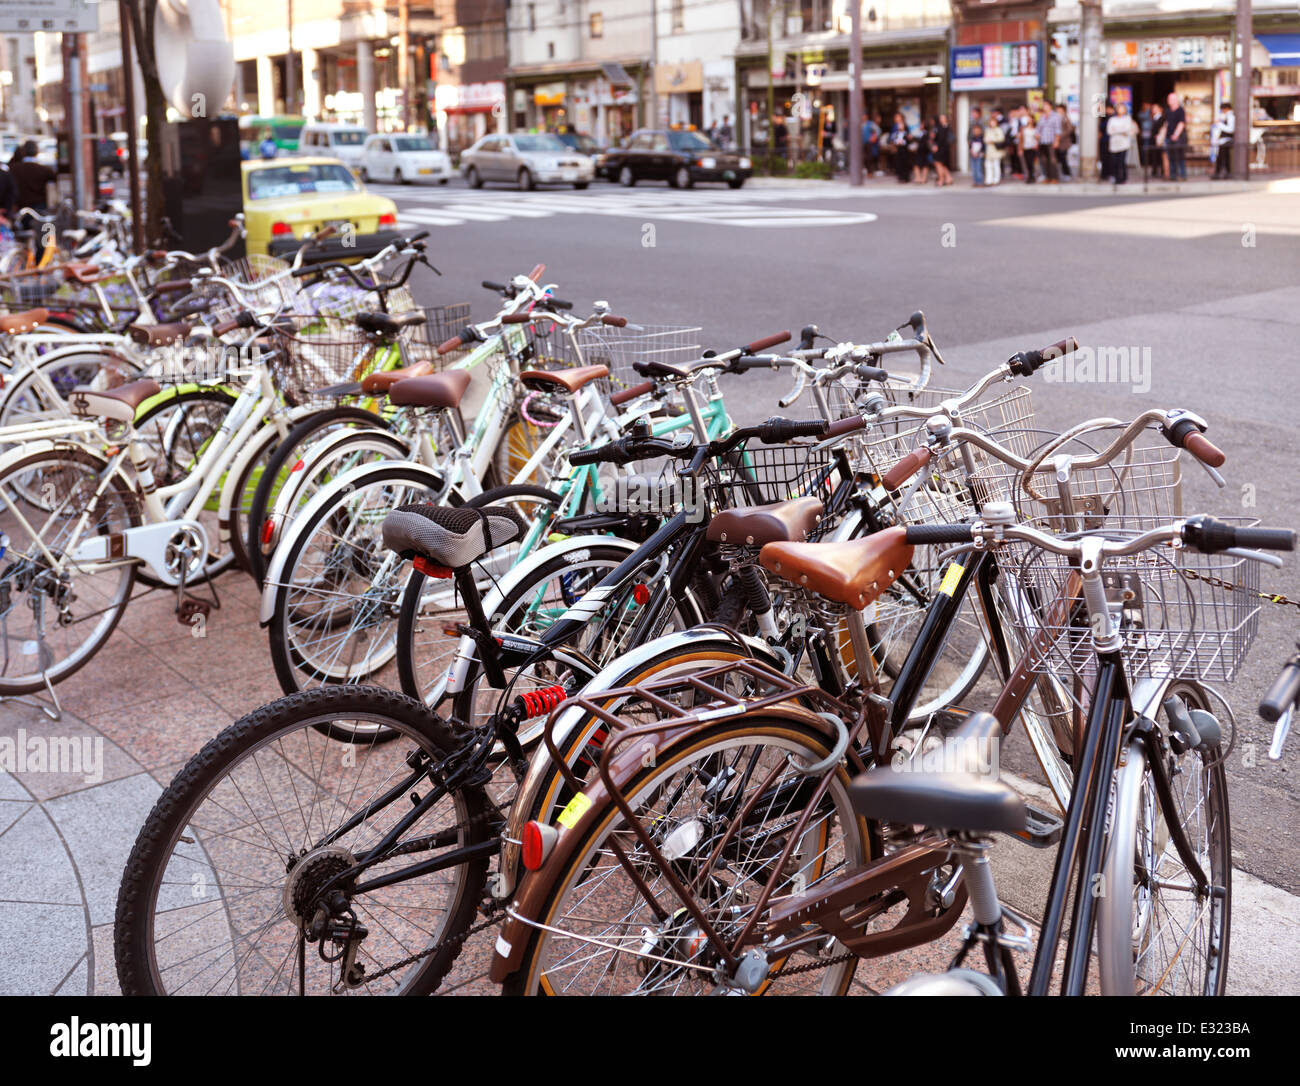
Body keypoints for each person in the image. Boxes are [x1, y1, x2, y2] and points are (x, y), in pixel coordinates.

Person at [10, 141, 54, 216]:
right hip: (39, 208)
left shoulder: (13, 169)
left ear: (23, 152)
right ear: (37, 152)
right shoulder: (45, 170)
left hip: (20, 208)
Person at [1107, 102, 1135, 184]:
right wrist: (1121, 130)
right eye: (1119, 108)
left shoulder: (1127, 118)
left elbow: (1127, 129)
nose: (1120, 110)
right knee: (1114, 162)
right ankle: (1116, 178)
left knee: (1121, 162)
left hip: (1123, 144)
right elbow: (1109, 131)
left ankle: (1123, 178)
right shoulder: (1112, 119)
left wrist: (1116, 129)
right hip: (1114, 144)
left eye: (1122, 108)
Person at [1165, 92, 1187, 180]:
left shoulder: (1180, 110)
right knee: (1171, 157)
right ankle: (1173, 175)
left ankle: (1182, 175)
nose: (1169, 101)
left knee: (1180, 157)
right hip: (1169, 137)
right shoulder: (1168, 111)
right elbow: (1166, 124)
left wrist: (1176, 134)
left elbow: (1181, 123)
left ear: (1176, 100)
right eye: (1168, 99)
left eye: (1171, 99)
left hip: (1179, 138)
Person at [1037, 102, 1061, 183]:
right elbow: (1038, 128)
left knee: (1052, 160)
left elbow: (1058, 129)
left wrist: (1057, 140)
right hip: (1042, 141)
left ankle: (1055, 177)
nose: (1044, 106)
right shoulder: (1042, 116)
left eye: (1045, 105)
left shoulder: (1056, 116)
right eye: (1043, 105)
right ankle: (1047, 177)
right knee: (1044, 160)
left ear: (1050, 106)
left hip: (1051, 140)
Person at [1212, 101, 1234, 179]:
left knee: (1222, 158)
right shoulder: (1227, 116)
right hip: (1224, 140)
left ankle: (1221, 173)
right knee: (1223, 158)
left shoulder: (1230, 116)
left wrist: (1219, 124)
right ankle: (1224, 173)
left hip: (1226, 140)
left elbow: (1230, 129)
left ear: (1226, 109)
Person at [984, 110, 1005, 185]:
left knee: (996, 165)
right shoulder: (988, 130)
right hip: (989, 151)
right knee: (988, 165)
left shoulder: (999, 130)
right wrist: (988, 141)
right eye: (991, 122)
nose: (992, 123)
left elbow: (1001, 138)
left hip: (996, 150)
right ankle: (989, 180)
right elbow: (985, 139)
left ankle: (996, 179)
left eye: (994, 122)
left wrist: (993, 140)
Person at [889, 112, 911, 183]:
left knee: (905, 162)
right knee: (898, 162)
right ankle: (900, 177)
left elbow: (908, 138)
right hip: (898, 148)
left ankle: (905, 177)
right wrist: (894, 143)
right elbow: (892, 137)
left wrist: (903, 141)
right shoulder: (894, 127)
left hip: (904, 149)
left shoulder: (906, 127)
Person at [1019, 108, 1039, 182]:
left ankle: (1032, 176)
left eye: (1030, 118)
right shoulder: (1023, 128)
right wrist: (1020, 149)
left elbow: (1037, 138)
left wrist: (1036, 143)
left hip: (1033, 147)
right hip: (1025, 147)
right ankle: (1029, 176)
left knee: (1031, 162)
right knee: (1027, 163)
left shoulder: (1036, 128)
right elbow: (1021, 139)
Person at [967, 107, 985, 187]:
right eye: (972, 113)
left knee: (979, 166)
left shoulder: (982, 123)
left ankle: (980, 181)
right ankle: (975, 181)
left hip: (980, 147)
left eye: (974, 113)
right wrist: (970, 146)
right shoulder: (971, 122)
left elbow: (984, 138)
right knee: (973, 167)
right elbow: (968, 136)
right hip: (972, 146)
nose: (973, 114)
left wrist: (982, 150)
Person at [933, 114, 953, 185]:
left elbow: (944, 139)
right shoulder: (938, 127)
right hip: (939, 147)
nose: (941, 119)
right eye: (940, 118)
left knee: (939, 163)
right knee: (940, 164)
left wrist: (937, 145)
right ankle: (948, 178)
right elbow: (935, 138)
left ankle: (941, 179)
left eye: (943, 118)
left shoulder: (947, 127)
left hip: (943, 148)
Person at [1056, 104, 1074, 179]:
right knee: (1059, 158)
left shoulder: (1066, 118)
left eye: (1060, 110)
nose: (1058, 111)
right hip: (1057, 142)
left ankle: (1067, 173)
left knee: (1063, 158)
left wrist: (1061, 135)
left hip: (1064, 142)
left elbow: (1070, 129)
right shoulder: (1056, 118)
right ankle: (1061, 173)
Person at [1149, 102, 1167, 178]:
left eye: (1156, 108)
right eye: (1153, 108)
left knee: (1161, 155)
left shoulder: (1162, 118)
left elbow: (1162, 128)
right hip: (1154, 139)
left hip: (1160, 139)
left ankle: (1163, 171)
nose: (1154, 109)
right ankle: (1155, 171)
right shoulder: (1153, 118)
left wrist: (1158, 135)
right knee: (1154, 155)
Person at [1099, 102, 1114, 180]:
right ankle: (1104, 174)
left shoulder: (1113, 117)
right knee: (1104, 157)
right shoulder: (1103, 117)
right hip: (1103, 140)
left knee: (1110, 157)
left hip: (1111, 140)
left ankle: (1110, 173)